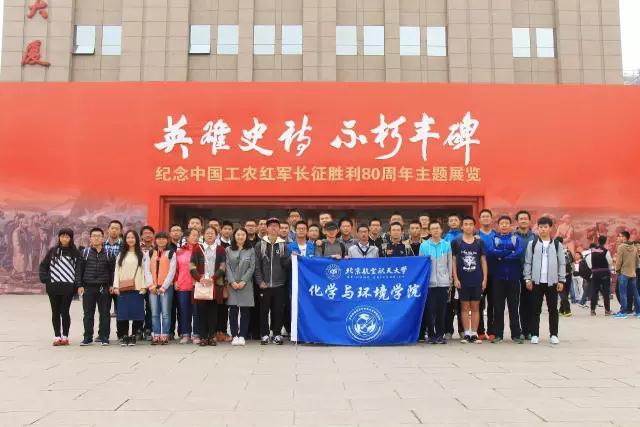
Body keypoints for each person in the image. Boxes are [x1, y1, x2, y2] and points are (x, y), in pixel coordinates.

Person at [524, 217, 566, 345]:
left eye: (545, 227)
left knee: (553, 310)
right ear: (538, 228)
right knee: (535, 310)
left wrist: (561, 280)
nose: (543, 229)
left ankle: (554, 334)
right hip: (536, 282)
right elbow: (528, 262)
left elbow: (562, 263)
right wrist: (527, 278)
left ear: (550, 228)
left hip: (552, 283)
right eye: (540, 227)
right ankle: (535, 334)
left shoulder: (557, 244)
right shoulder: (532, 244)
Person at [39, 228, 81, 346]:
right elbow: (43, 266)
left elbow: (78, 270)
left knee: (65, 311)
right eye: (62, 236)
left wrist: (76, 285)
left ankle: (65, 336)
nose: (64, 239)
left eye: (67, 236)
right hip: (53, 287)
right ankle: (57, 336)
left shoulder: (75, 253)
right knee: (55, 312)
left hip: (68, 287)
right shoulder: (53, 251)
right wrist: (46, 279)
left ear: (71, 238)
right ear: (59, 237)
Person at [487, 215, 524, 344]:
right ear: (498, 225)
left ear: (510, 225)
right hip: (498, 279)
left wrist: (502, 256)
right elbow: (492, 251)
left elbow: (519, 252)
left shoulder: (516, 238)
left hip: (513, 278)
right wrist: (509, 252)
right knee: (498, 308)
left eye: (506, 223)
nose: (504, 225)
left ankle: (516, 334)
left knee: (514, 308)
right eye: (502, 223)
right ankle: (498, 334)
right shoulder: (494, 239)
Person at [254, 218, 291, 345]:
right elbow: (256, 265)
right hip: (264, 285)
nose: (273, 228)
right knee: (263, 311)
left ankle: (276, 334)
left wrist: (292, 258)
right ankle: (264, 334)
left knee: (278, 311)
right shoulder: (260, 245)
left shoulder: (283, 245)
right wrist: (260, 281)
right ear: (267, 228)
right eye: (271, 226)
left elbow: (285, 264)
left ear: (279, 229)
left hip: (279, 284)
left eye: (276, 226)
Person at [77, 227, 115, 346]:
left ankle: (104, 337)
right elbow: (79, 270)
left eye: (99, 236)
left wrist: (112, 285)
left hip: (104, 287)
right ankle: (87, 337)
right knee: (88, 314)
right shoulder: (85, 253)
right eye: (94, 236)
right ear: (90, 238)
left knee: (105, 314)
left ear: (103, 238)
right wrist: (79, 285)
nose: (96, 238)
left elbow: (113, 271)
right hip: (88, 287)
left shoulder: (109, 253)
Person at [452, 216, 487, 344]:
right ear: (462, 227)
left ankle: (474, 333)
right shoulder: (456, 242)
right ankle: (467, 333)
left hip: (477, 279)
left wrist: (485, 279)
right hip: (462, 280)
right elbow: (453, 261)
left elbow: (483, 261)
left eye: (470, 224)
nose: (468, 226)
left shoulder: (479, 242)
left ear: (474, 226)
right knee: (464, 307)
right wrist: (455, 278)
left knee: (476, 307)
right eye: (465, 224)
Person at [113, 230, 151, 347]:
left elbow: (145, 271)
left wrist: (144, 286)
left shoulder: (142, 254)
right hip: (123, 288)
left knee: (137, 314)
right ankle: (125, 335)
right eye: (128, 237)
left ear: (137, 239)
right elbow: (117, 271)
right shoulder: (121, 254)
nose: (130, 240)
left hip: (137, 288)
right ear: (125, 240)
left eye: (132, 237)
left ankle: (134, 335)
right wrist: (116, 286)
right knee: (123, 314)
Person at [420, 221, 452, 344]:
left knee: (442, 311)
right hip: (430, 284)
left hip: (443, 283)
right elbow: (421, 265)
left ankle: (440, 335)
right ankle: (431, 335)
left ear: (441, 230)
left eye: (437, 228)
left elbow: (449, 264)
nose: (435, 230)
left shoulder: (446, 245)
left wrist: (450, 281)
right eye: (433, 228)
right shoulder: (424, 246)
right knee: (430, 311)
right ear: (429, 231)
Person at [226, 228, 256, 346]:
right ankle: (234, 335)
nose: (240, 237)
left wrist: (244, 281)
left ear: (246, 236)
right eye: (238, 234)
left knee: (245, 311)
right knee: (233, 311)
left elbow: (252, 267)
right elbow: (227, 266)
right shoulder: (228, 249)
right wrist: (232, 281)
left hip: (246, 285)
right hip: (232, 285)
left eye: (243, 234)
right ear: (234, 236)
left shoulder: (251, 250)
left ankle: (242, 335)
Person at [199, 226, 226, 346]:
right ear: (203, 235)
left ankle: (212, 336)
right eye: (207, 233)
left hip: (215, 284)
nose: (210, 235)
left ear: (216, 235)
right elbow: (192, 265)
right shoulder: (198, 248)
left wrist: (213, 278)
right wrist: (200, 278)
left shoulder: (220, 249)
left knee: (213, 311)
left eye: (212, 233)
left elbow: (223, 266)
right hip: (201, 284)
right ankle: (203, 336)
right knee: (201, 311)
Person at [148, 231, 176, 345]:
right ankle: (156, 334)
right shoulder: (150, 253)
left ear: (167, 240)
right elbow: (147, 271)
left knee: (165, 313)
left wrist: (164, 286)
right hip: (153, 288)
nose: (161, 240)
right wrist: (151, 285)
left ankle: (164, 334)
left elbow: (172, 271)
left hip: (166, 288)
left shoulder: (171, 253)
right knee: (154, 313)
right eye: (159, 238)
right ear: (155, 240)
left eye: (163, 238)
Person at [175, 228, 200, 344]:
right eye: (193, 235)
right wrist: (176, 280)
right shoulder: (180, 251)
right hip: (183, 284)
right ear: (187, 237)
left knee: (197, 311)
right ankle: (185, 334)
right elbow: (175, 268)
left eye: (197, 235)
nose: (195, 237)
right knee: (184, 310)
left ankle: (197, 333)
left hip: (197, 285)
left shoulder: (200, 250)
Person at [514, 210, 535, 340]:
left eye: (525, 218)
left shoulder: (535, 237)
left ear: (529, 220)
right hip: (516, 274)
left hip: (532, 275)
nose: (523, 220)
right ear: (517, 221)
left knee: (531, 302)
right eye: (521, 218)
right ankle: (522, 330)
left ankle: (531, 330)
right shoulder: (512, 237)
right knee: (520, 303)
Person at [476, 209, 496, 340]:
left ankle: (492, 330)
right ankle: (480, 331)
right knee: (479, 304)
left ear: (491, 219)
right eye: (483, 216)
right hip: (478, 274)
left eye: (488, 216)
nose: (485, 218)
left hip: (494, 274)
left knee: (493, 303)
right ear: (479, 219)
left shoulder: (497, 235)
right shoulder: (475, 235)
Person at [613, 231, 639, 319]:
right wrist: (633, 269)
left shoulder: (621, 247)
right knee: (636, 293)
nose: (618, 238)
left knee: (623, 293)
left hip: (623, 273)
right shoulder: (634, 247)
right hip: (632, 273)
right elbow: (637, 261)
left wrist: (617, 270)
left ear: (624, 237)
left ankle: (623, 312)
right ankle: (638, 312)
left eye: (619, 236)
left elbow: (619, 261)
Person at [215, 222, 233, 342]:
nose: (227, 231)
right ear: (221, 230)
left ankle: (222, 331)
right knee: (216, 306)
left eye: (229, 229)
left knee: (225, 308)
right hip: (217, 279)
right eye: (225, 228)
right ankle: (214, 331)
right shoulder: (216, 244)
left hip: (229, 281)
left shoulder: (233, 244)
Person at [587, 236, 613, 316]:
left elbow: (590, 262)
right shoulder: (606, 251)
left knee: (594, 292)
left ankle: (592, 310)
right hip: (604, 273)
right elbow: (610, 261)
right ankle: (607, 310)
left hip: (595, 273)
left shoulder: (593, 251)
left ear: (598, 241)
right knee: (605, 292)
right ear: (605, 241)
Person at [556, 236, 574, 317]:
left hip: (559, 275)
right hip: (568, 274)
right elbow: (572, 262)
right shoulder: (567, 251)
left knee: (562, 292)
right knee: (565, 292)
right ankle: (562, 310)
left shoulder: (555, 251)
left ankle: (567, 310)